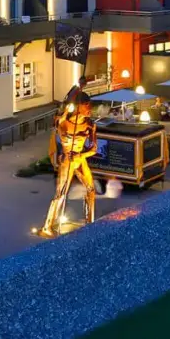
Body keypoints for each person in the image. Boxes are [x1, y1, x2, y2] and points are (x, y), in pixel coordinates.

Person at [41, 93, 98, 236]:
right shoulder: (64, 123)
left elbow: (93, 149)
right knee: (61, 194)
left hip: (80, 159)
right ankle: (47, 226)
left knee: (91, 189)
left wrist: (80, 155)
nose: (89, 108)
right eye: (86, 105)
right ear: (78, 106)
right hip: (68, 159)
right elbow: (57, 134)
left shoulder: (90, 125)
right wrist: (66, 112)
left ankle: (89, 222)